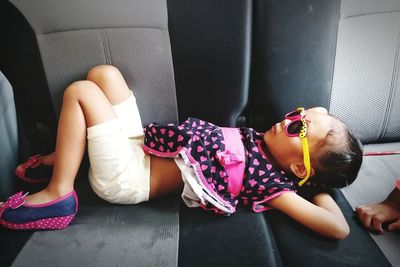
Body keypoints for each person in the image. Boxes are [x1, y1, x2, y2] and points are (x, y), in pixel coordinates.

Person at [0, 65, 363, 239]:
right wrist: (310, 175)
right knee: (104, 75)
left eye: (298, 128)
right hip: (138, 145)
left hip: (128, 176)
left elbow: (338, 229)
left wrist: (315, 188)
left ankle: (59, 193)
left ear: (299, 165)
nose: (288, 120)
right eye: (297, 115)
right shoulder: (261, 143)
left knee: (80, 91)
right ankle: (67, 154)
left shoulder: (275, 187)